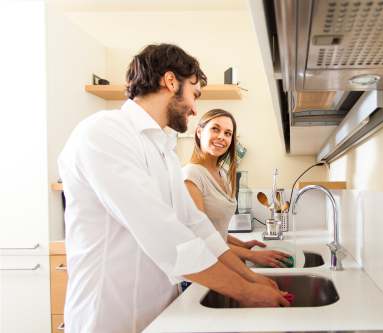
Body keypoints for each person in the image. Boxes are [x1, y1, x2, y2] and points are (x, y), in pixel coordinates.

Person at [58, 44, 289, 333]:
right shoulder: (103, 132)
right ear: (170, 82)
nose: (194, 108)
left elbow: (196, 225)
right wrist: (245, 291)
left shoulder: (163, 150)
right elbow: (162, 233)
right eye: (194, 94)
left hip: (159, 316)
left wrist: (249, 277)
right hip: (107, 318)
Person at [183, 109, 292, 268]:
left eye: (228, 133)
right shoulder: (191, 175)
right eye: (215, 129)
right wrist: (251, 255)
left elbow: (216, 231)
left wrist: (242, 244)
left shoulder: (223, 173)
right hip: (201, 269)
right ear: (199, 132)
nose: (222, 136)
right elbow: (200, 238)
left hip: (221, 263)